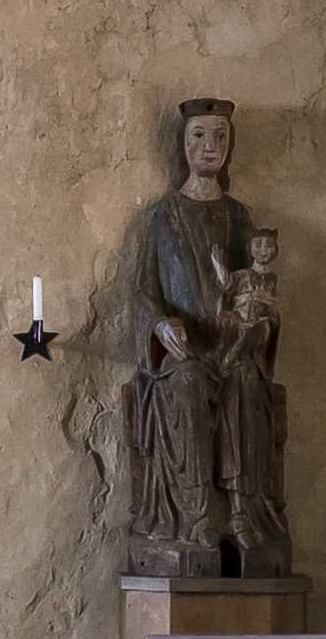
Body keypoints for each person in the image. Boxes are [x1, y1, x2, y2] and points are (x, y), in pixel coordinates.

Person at [115, 96, 289, 580]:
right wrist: (162, 325)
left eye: (220, 137)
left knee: (246, 385)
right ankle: (194, 518)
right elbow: (145, 292)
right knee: (189, 386)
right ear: (182, 144)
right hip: (183, 354)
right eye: (198, 136)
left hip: (231, 345)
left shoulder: (240, 216)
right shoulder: (163, 216)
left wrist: (262, 324)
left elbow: (258, 282)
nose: (209, 147)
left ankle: (242, 512)